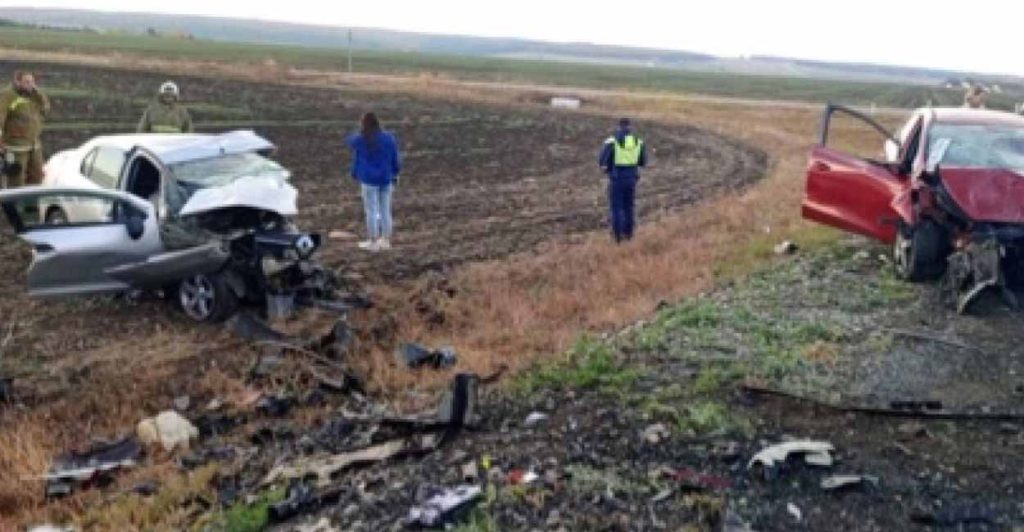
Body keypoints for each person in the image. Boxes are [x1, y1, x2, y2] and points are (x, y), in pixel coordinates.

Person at [347, 112, 401, 251]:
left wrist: (360, 131)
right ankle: (386, 240)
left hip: (369, 179)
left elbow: (349, 142)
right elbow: (395, 157)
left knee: (371, 210)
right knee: (385, 209)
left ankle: (373, 241)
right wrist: (396, 172)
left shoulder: (361, 139)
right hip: (386, 178)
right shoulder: (389, 138)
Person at [599, 118, 647, 243]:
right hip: (632, 178)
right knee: (629, 207)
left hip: (617, 178)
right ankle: (629, 234)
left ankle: (617, 237)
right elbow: (643, 161)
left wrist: (607, 169)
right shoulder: (638, 142)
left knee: (616, 208)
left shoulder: (612, 141)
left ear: (619, 127)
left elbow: (602, 161)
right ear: (630, 127)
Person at [0, 70, 50, 189]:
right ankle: (13, 206)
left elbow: (45, 109)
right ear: (17, 82)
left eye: (32, 81)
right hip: (15, 148)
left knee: (37, 177)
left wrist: (38, 93)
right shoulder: (7, 95)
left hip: (34, 145)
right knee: (16, 179)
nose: (30, 84)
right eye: (26, 82)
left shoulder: (35, 95)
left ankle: (31, 206)